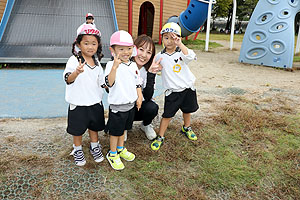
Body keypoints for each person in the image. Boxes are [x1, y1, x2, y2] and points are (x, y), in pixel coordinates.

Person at [151, 22, 199, 151]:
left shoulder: (181, 53)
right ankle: (160, 136)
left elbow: (190, 56)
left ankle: (186, 127)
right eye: (166, 37)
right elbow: (153, 68)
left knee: (187, 110)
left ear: (179, 38)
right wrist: (155, 69)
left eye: (173, 38)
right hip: (172, 91)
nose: (170, 41)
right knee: (167, 115)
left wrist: (180, 44)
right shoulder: (160, 56)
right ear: (162, 39)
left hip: (187, 88)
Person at [63, 24, 105, 166]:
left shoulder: (97, 62)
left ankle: (95, 146)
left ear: (98, 45)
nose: (90, 47)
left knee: (94, 127)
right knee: (78, 129)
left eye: (93, 43)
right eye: (86, 43)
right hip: (78, 103)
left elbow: (101, 81)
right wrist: (76, 72)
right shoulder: (74, 60)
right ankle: (78, 149)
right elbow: (68, 79)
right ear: (79, 45)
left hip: (94, 102)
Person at [104, 30, 143, 170]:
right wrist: (115, 67)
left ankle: (120, 148)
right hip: (117, 106)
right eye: (121, 49)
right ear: (112, 50)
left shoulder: (132, 65)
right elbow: (109, 83)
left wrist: (139, 96)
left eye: (129, 48)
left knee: (123, 129)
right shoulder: (110, 65)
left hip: (130, 105)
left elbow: (137, 81)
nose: (126, 52)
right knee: (115, 132)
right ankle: (112, 153)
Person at [130, 34, 162, 141]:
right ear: (134, 49)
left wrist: (151, 75)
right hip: (124, 106)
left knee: (152, 107)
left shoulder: (147, 70)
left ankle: (146, 124)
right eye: (141, 49)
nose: (144, 55)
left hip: (138, 106)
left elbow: (148, 97)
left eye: (148, 52)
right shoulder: (125, 66)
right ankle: (123, 127)